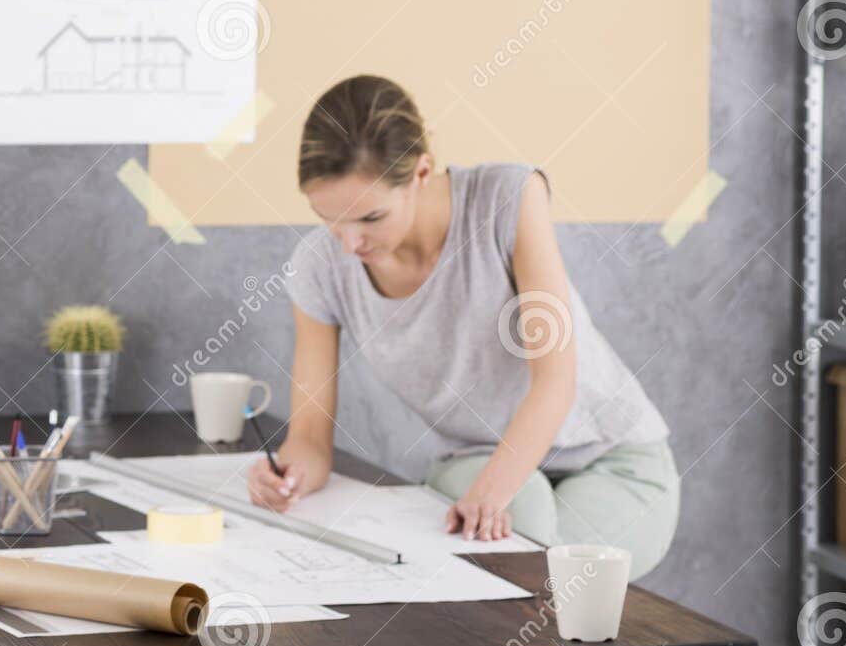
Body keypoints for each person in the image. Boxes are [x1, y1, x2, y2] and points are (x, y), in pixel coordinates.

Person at [247, 75, 679, 578]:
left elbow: (556, 381)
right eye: (328, 219)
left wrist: (494, 494)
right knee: (520, 551)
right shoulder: (320, 268)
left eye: (369, 217)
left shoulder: (509, 198)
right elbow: (311, 438)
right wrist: (288, 476)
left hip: (611, 457)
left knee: (549, 570)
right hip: (477, 456)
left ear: (422, 171)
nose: (348, 243)